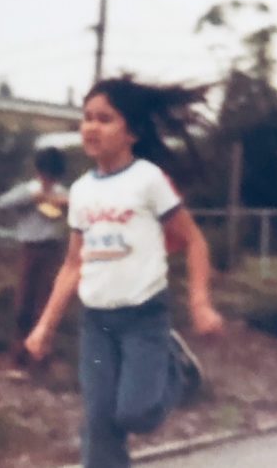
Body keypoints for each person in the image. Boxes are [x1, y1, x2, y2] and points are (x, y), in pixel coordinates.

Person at [24, 76, 226, 468]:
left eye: (105, 119)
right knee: (100, 424)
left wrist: (200, 303)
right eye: (87, 118)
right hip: (96, 324)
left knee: (135, 413)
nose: (91, 127)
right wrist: (44, 326)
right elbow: (73, 264)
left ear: (131, 132)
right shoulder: (82, 190)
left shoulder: (148, 180)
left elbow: (195, 241)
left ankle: (175, 367)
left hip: (143, 319)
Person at [0, 146, 69, 367]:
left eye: (52, 175)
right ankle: (18, 355)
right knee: (24, 301)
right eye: (45, 174)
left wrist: (62, 202)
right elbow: (1, 203)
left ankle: (42, 357)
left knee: (45, 303)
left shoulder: (63, 193)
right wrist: (31, 197)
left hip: (53, 250)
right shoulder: (28, 190)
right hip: (29, 250)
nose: (48, 179)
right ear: (38, 171)